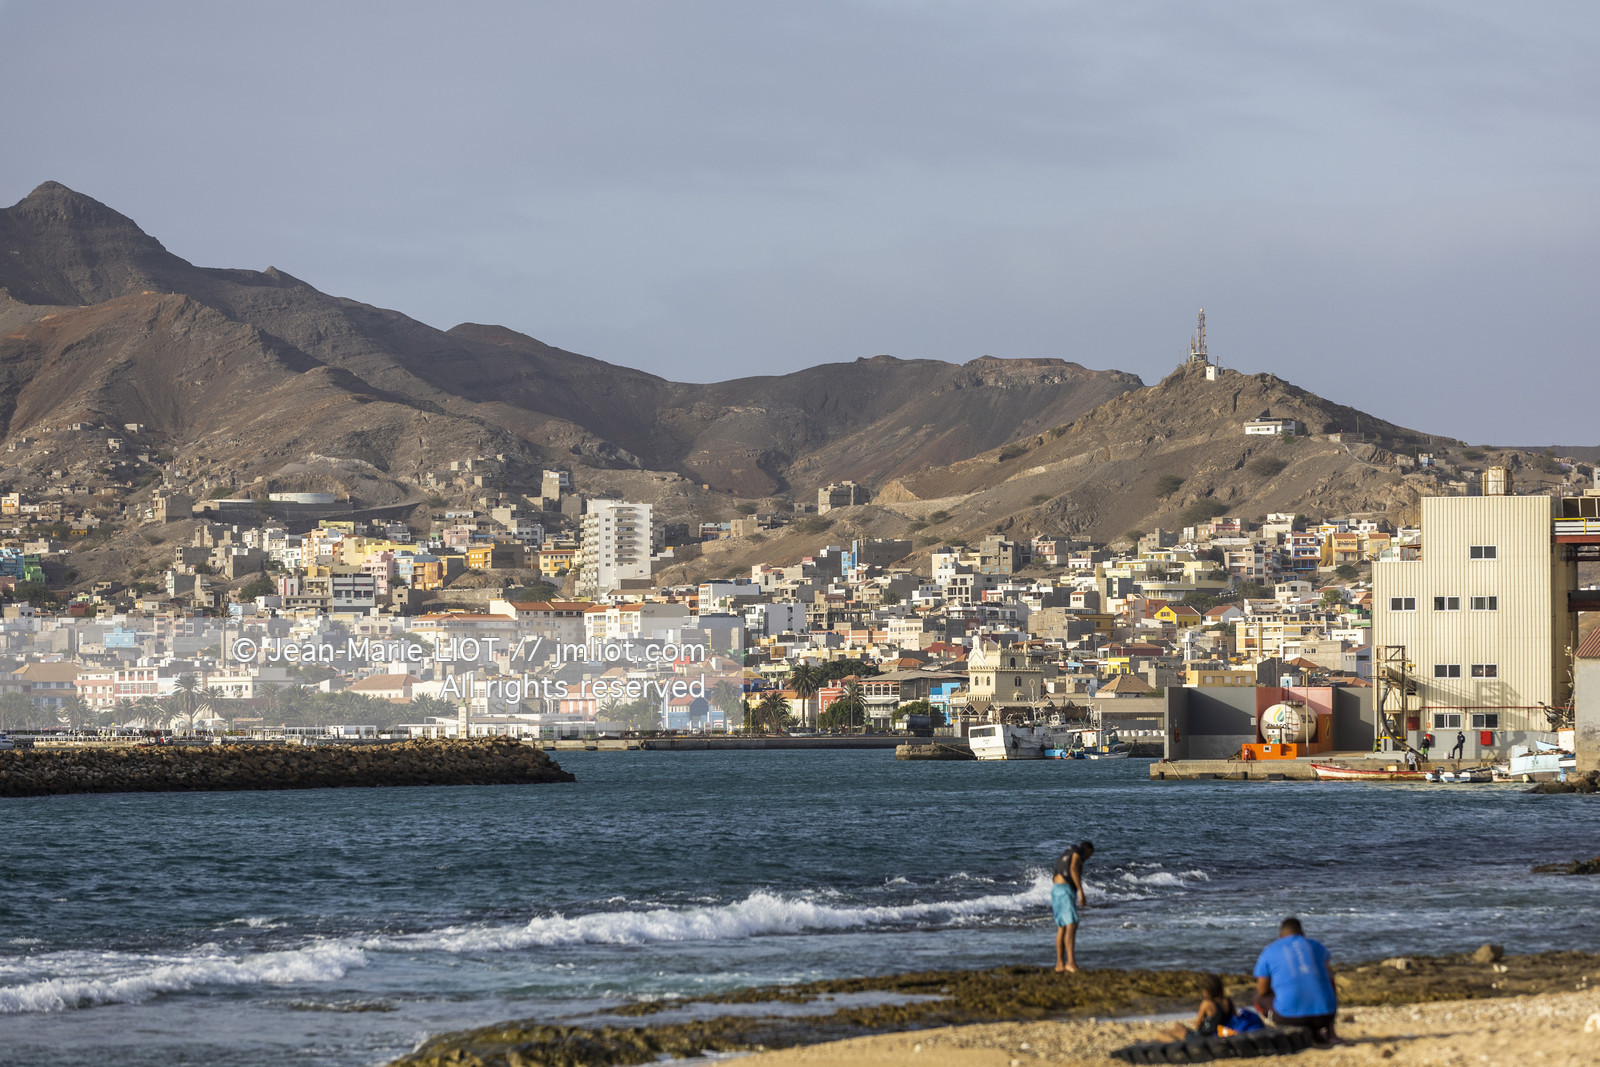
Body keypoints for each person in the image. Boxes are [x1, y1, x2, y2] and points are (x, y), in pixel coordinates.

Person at [1254, 917, 1339, 1044]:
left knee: (1257, 999)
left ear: (1280, 935)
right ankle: (1331, 1034)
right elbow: (1329, 977)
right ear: (1302, 933)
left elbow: (1262, 990)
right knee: (1329, 985)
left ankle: (1284, 1029)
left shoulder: (1270, 950)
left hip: (1289, 1018)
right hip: (1325, 1016)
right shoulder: (1317, 946)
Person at [1164, 973, 1260, 1040]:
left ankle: (1179, 1044)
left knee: (1161, 1034)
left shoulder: (1207, 1003)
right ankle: (1177, 1035)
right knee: (1178, 1025)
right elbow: (1233, 1018)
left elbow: (1197, 1025)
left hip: (1205, 1036)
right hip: (1217, 1032)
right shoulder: (1228, 1001)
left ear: (1206, 990)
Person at [1052, 840, 1093, 973]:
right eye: (1089, 855)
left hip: (1056, 889)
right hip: (1065, 890)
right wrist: (1081, 891)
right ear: (1087, 850)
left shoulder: (1066, 852)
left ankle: (1059, 964)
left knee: (1062, 927)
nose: (1087, 858)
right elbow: (1073, 868)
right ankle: (1070, 963)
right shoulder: (1078, 852)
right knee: (1071, 924)